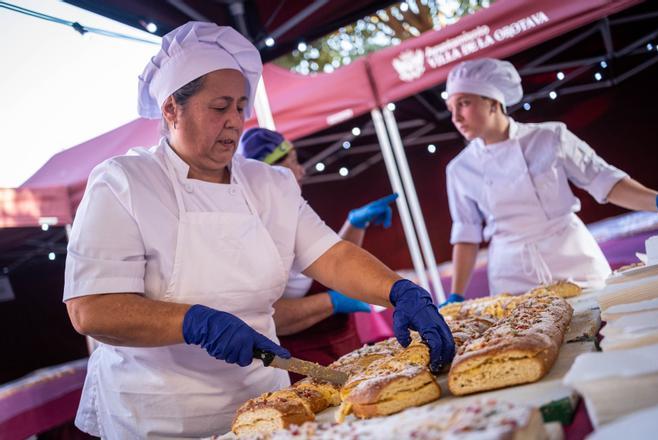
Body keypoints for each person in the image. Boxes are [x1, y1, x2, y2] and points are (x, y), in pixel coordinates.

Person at [63, 22, 455, 438]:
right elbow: (90, 309)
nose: (235, 121)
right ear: (171, 109)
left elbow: (333, 255)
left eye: (240, 106)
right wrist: (194, 321)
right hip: (159, 416)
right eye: (220, 107)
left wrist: (397, 291)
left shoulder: (269, 184)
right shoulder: (124, 182)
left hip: (266, 406)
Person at [443, 58, 658, 299]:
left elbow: (605, 181)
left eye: (463, 104)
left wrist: (656, 202)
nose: (456, 118)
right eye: (451, 108)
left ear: (493, 102)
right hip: (513, 275)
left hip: (573, 258)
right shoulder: (459, 169)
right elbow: (466, 234)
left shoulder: (550, 137)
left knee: (610, 325)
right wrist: (456, 295)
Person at [239, 127, 398, 367]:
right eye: (292, 162)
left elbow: (331, 262)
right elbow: (266, 315)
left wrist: (355, 224)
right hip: (303, 356)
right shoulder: (251, 231)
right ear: (269, 172)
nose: (301, 170)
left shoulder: (292, 209)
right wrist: (332, 302)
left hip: (340, 342)